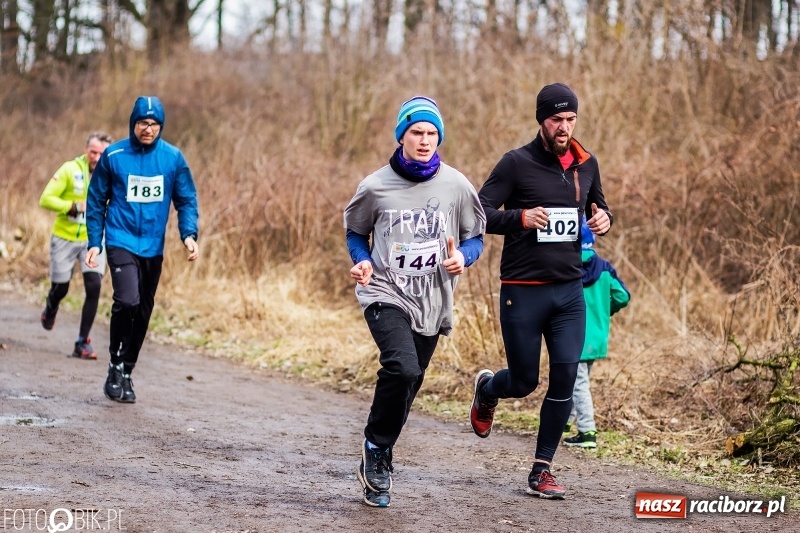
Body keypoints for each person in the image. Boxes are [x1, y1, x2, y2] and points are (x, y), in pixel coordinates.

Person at [469, 82, 614, 500]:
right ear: (541, 121)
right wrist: (521, 218)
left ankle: (542, 469)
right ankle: (488, 389)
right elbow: (480, 214)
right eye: (557, 120)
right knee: (524, 380)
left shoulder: (587, 164)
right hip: (523, 289)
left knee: (566, 374)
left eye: (570, 119)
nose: (564, 127)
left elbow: (599, 207)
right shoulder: (516, 163)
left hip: (569, 292)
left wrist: (605, 219)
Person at [344, 96, 486, 508]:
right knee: (402, 367)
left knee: (411, 382)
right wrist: (363, 261)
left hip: (433, 297)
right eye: (416, 132)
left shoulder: (457, 185)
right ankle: (375, 447)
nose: (424, 140)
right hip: (384, 290)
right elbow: (355, 233)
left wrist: (464, 256)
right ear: (402, 135)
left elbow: (476, 235)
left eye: (431, 133)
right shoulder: (374, 186)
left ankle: (381, 451)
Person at [85, 95, 199, 404]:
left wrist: (188, 234)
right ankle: (113, 363)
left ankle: (128, 370)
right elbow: (95, 200)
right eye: (142, 123)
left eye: (154, 124)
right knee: (128, 301)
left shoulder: (173, 158)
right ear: (133, 123)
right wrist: (95, 241)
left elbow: (186, 199)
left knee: (144, 309)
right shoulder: (114, 155)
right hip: (121, 239)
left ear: (161, 126)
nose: (147, 129)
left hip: (153, 245)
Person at [39, 131, 113, 360]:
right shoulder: (70, 169)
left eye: (102, 153)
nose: (97, 158)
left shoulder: (113, 173)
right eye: (93, 152)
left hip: (93, 241)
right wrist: (72, 206)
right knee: (61, 287)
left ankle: (82, 342)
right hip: (65, 237)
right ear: (86, 150)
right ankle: (51, 307)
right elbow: (46, 198)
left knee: (94, 286)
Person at [564, 217, 630, 449]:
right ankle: (565, 421)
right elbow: (623, 296)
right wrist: (605, 310)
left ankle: (587, 432)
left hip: (572, 335)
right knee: (577, 381)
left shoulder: (566, 266)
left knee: (578, 384)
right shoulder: (604, 268)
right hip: (596, 338)